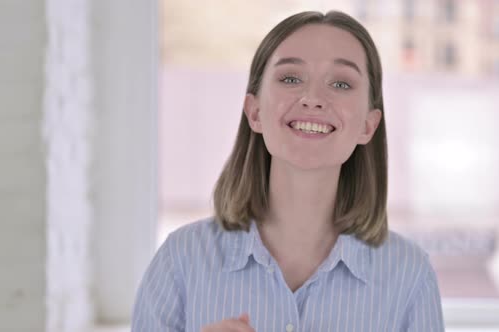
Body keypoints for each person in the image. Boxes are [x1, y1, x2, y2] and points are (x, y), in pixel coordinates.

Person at [132, 10, 444, 332]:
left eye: (341, 83)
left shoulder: (410, 277)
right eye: (291, 79)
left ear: (368, 125)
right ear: (254, 112)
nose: (313, 99)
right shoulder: (182, 260)